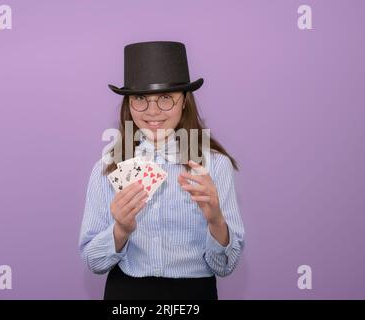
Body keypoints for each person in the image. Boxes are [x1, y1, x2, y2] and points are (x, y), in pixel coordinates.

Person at [79, 41, 245, 300]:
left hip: (194, 295)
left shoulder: (215, 166)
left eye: (166, 98)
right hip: (127, 294)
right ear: (128, 103)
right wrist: (121, 229)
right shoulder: (107, 168)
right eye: (141, 99)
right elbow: (94, 262)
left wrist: (215, 219)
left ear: (184, 101)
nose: (152, 111)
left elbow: (224, 266)